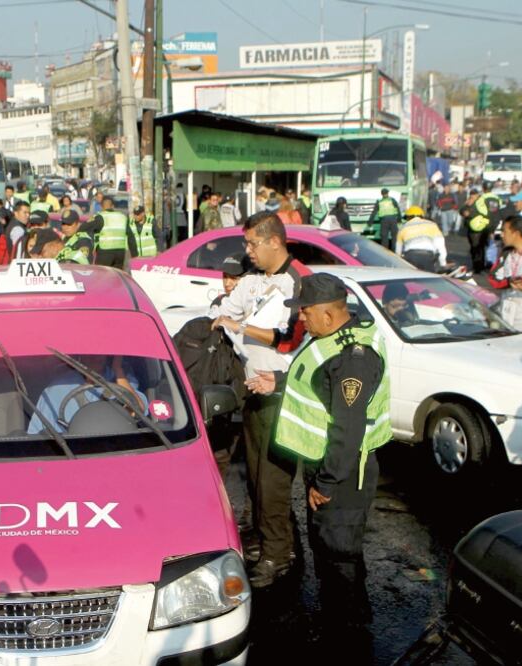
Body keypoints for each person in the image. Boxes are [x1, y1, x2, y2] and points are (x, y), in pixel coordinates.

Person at [274, 273, 391, 657]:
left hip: (341, 474)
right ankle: (347, 618)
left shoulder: (352, 360)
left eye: (304, 311)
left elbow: (348, 429)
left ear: (327, 313)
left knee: (337, 554)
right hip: (331, 467)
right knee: (334, 551)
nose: (300, 319)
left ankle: (346, 637)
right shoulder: (335, 337)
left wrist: (325, 483)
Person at [210, 213, 310, 587]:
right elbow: (224, 311)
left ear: (273, 241)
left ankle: (278, 556)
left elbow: (291, 338)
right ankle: (269, 543)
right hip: (254, 387)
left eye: (253, 243)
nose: (247, 251)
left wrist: (242, 326)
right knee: (254, 476)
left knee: (272, 480)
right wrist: (233, 319)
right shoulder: (254, 280)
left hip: (281, 391)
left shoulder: (298, 280)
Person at [395, 206, 448, 272]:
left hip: (410, 256)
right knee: (426, 280)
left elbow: (398, 250)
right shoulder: (432, 225)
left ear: (408, 217)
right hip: (428, 256)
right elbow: (440, 246)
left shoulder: (403, 228)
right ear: (422, 216)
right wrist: (443, 263)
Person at [463, 185, 501, 273]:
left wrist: (467, 210)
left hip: (477, 226)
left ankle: (478, 267)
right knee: (483, 247)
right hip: (488, 226)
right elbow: (495, 214)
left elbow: (473, 211)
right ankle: (482, 265)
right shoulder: (496, 199)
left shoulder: (481, 199)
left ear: (483, 190)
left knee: (477, 247)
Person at [86, 196, 131, 269]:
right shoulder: (123, 217)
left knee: (102, 273)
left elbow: (90, 232)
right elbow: (130, 235)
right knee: (117, 274)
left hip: (105, 251)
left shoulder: (99, 216)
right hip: (120, 251)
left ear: (101, 206)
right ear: (113, 206)